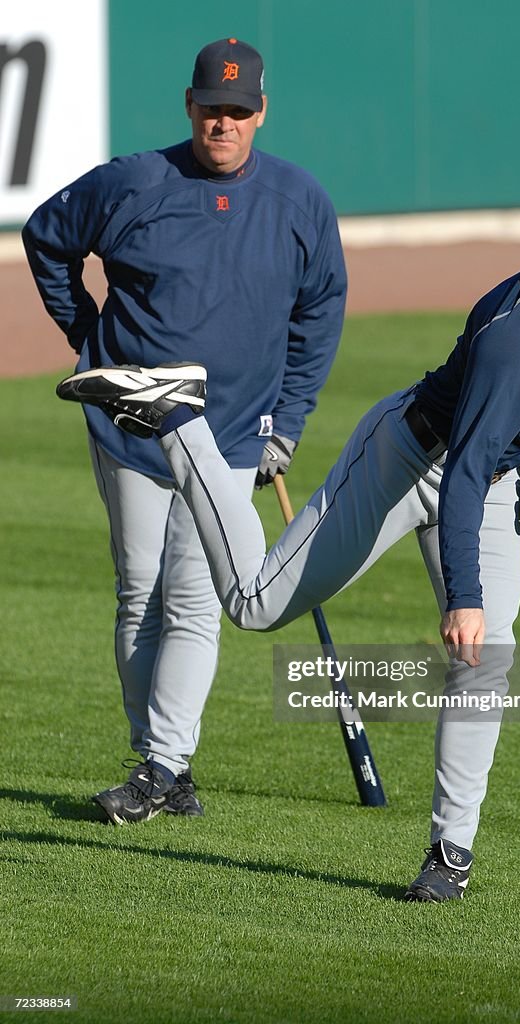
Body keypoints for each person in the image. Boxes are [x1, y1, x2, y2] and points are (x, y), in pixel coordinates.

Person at [56, 160, 520, 898]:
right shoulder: (509, 333)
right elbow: (461, 475)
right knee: (255, 604)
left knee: (484, 663)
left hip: (486, 479)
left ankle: (449, 856)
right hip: (409, 458)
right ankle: (176, 415)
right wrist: (462, 597)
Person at [22, 38, 347, 825]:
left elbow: (319, 313)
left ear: (260, 112)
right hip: (131, 426)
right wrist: (88, 336)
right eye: (211, 110)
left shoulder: (299, 201)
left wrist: (290, 420)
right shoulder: (133, 181)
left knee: (197, 601)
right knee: (140, 592)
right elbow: (45, 237)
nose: (223, 124)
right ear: (189, 106)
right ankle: (158, 762)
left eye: (238, 111)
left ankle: (164, 763)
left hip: (234, 433)